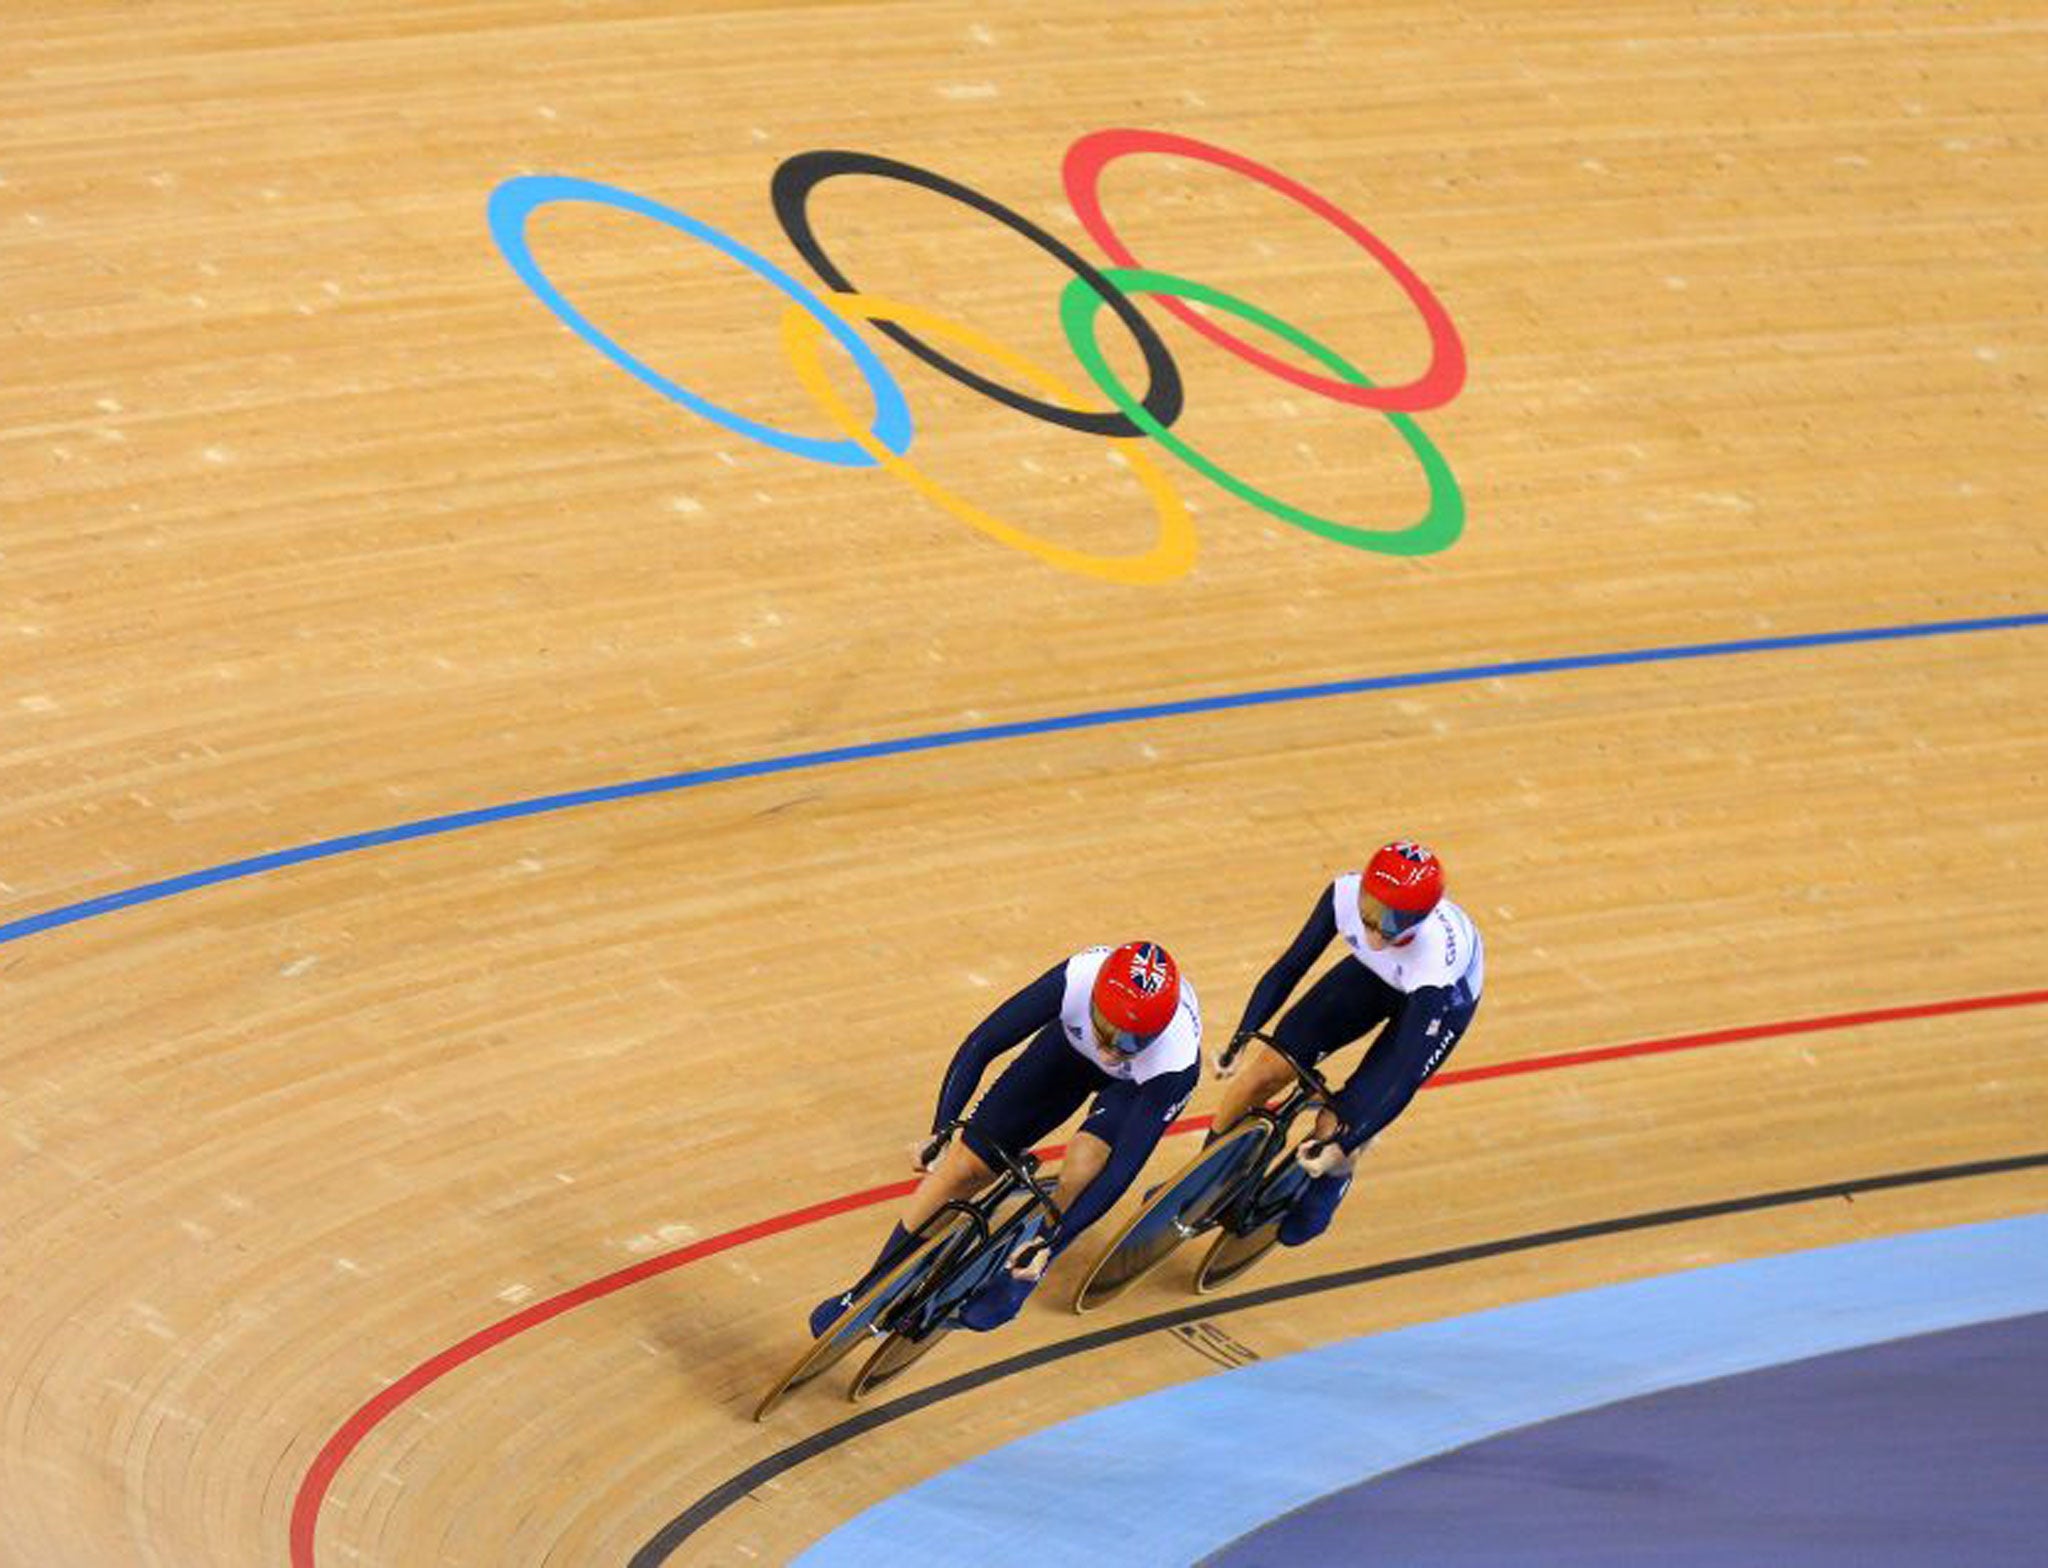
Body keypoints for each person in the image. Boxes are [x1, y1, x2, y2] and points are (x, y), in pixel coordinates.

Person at [811, 940, 1201, 1336]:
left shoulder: (1174, 1060)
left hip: (1134, 1088)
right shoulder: (1079, 978)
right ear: (1095, 998)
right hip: (1068, 1051)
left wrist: (1053, 1243)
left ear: (1158, 1032)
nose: (1112, 1049)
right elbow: (982, 1045)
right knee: (961, 1166)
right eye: (1106, 1027)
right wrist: (942, 1130)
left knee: (1085, 1165)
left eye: (1131, 1041)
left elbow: (1122, 1171)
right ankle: (867, 1292)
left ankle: (1028, 1268)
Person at [1210, 840, 1482, 1247]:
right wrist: (1243, 1035)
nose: (1372, 927)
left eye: (1387, 922)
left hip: (1435, 1005)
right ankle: (1205, 1179)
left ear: (1417, 920)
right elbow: (1289, 967)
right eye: (1369, 911)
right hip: (1377, 973)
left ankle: (1329, 1188)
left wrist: (1346, 1144)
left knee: (1340, 1121)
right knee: (1265, 1073)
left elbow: (1403, 1075)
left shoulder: (1434, 964)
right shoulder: (1344, 894)